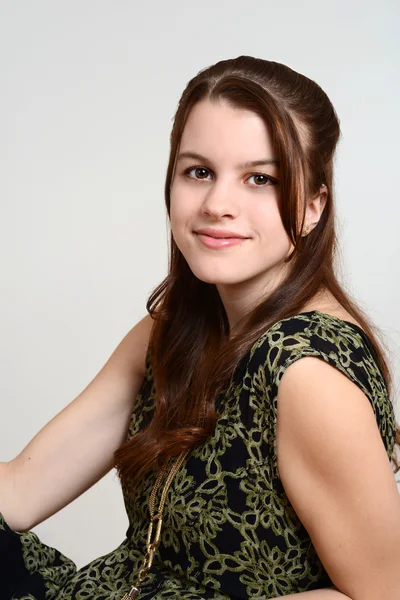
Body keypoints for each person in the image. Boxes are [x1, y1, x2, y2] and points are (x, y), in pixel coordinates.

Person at [0, 55, 399, 600]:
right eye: (199, 172)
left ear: (312, 206)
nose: (217, 205)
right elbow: (21, 488)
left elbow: (379, 594)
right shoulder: (171, 330)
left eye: (260, 179)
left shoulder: (307, 373)